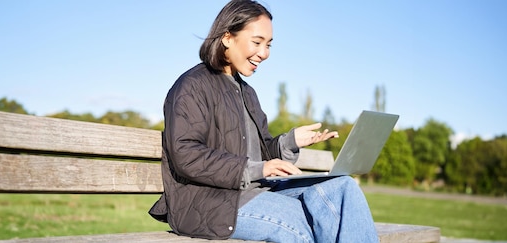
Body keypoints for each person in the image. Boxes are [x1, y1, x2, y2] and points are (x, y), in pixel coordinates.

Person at [149, 0, 379, 242]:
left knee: (342, 187)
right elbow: (187, 154)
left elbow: (261, 153)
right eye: (257, 42)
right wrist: (257, 169)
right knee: (301, 223)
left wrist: (291, 142)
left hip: (255, 191)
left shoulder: (247, 92)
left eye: (268, 45)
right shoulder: (192, 86)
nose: (264, 53)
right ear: (227, 37)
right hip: (209, 202)